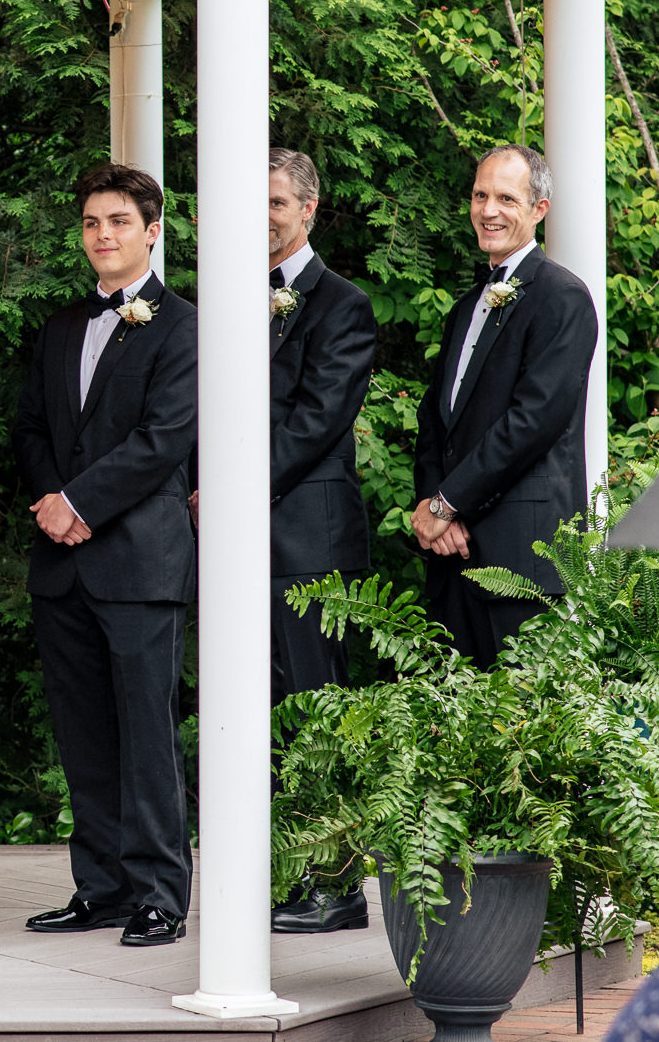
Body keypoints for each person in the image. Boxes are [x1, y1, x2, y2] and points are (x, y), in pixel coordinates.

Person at [10, 163, 196, 948]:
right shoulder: (58, 328)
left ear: (152, 231)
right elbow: (30, 430)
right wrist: (54, 501)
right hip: (64, 564)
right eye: (92, 223)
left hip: (139, 561)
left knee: (146, 734)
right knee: (82, 734)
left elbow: (163, 441)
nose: (103, 236)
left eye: (118, 221)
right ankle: (102, 886)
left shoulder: (185, 325)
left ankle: (159, 891)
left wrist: (80, 503)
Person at [412, 145, 597, 668]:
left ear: (539, 209)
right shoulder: (466, 307)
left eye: (506, 198)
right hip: (453, 555)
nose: (488, 210)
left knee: (525, 728)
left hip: (524, 557)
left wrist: (449, 503)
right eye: (480, 195)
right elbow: (436, 421)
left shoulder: (562, 298)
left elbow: (532, 423)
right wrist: (432, 507)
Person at [261, 149, 377, 935]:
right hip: (240, 542)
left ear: (307, 209)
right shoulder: (228, 300)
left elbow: (316, 421)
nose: (261, 215)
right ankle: (280, 871)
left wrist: (230, 491)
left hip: (308, 540)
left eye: (274, 201)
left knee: (316, 716)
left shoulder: (341, 305)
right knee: (263, 713)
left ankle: (337, 887)